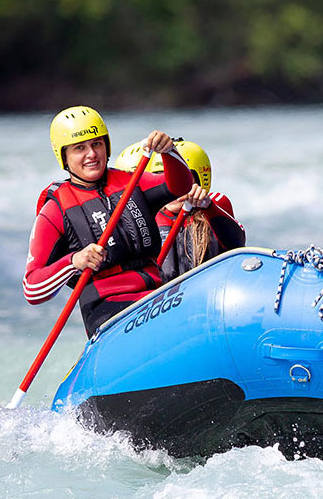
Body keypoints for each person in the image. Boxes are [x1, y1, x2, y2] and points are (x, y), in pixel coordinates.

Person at [23, 105, 198, 337]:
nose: (92, 154)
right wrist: (75, 261)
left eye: (97, 144)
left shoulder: (130, 181)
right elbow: (32, 289)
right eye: (79, 148)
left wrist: (169, 152)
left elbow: (180, 186)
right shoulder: (55, 210)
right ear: (64, 156)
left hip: (156, 293)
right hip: (107, 308)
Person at [113, 139, 246, 282]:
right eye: (166, 182)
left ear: (200, 181)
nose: (174, 191)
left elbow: (236, 243)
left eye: (183, 182)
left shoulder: (216, 204)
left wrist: (208, 207)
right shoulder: (149, 217)